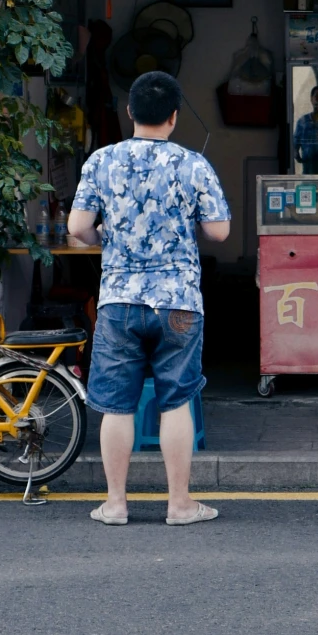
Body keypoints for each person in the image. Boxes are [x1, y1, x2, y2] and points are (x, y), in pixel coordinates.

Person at [68, 69, 230, 526]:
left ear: (130, 112)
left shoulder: (102, 161)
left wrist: (108, 239)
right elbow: (219, 231)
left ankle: (116, 504)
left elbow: (77, 228)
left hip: (118, 300)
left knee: (117, 404)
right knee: (175, 401)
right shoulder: (193, 164)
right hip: (178, 302)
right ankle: (179, 504)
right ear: (174, 117)